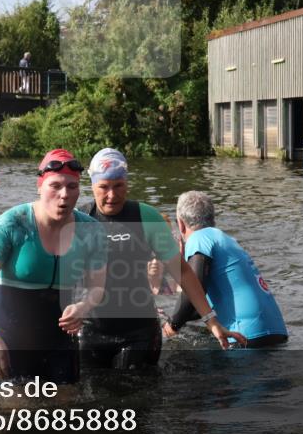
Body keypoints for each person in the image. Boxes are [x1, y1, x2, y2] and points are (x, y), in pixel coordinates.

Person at [81, 148, 246, 370]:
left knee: (139, 400)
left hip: (139, 333)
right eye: (103, 187)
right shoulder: (79, 220)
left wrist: (211, 321)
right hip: (91, 330)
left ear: (127, 183)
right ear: (92, 185)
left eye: (118, 185)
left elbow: (183, 272)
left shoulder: (146, 217)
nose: (111, 195)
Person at [0, 149, 108, 383]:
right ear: (40, 186)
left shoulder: (92, 231)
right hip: (10, 344)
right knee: (11, 416)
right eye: (55, 186)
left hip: (60, 347)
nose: (64, 195)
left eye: (72, 187)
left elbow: (97, 288)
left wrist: (83, 307)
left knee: (65, 416)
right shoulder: (12, 224)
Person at [165, 191, 288, 348]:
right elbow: (200, 304)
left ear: (181, 224)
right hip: (276, 332)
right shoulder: (227, 241)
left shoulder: (198, 238)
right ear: (213, 219)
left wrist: (170, 327)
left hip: (245, 336)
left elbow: (196, 286)